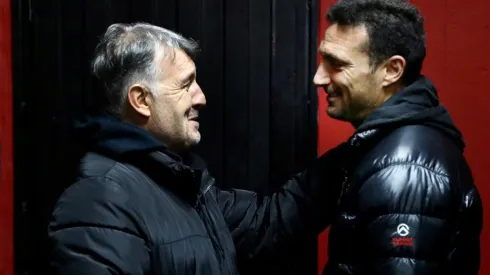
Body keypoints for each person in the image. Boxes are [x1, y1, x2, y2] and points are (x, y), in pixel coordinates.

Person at [47, 23, 346, 274]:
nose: (200, 97)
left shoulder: (179, 185)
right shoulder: (99, 201)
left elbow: (269, 221)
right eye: (186, 84)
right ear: (141, 100)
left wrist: (357, 152)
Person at [313, 0, 483, 274]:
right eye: (323, 60)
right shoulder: (384, 146)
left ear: (392, 70)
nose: (319, 78)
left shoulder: (404, 169)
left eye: (336, 64)